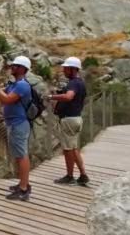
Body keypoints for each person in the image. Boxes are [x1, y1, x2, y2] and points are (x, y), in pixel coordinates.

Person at [0, 56, 33, 201]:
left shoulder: (22, 85)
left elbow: (7, 99)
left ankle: (24, 188)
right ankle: (22, 183)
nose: (11, 68)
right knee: (19, 155)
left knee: (21, 155)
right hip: (13, 123)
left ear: (22, 68)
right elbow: (1, 97)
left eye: (15, 66)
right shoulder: (14, 84)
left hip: (19, 123)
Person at [48, 57, 90, 186]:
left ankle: (69, 176)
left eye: (66, 68)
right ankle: (83, 175)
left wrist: (51, 96)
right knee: (73, 148)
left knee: (67, 149)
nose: (64, 70)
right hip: (76, 118)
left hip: (68, 120)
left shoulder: (73, 83)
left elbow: (68, 97)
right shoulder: (81, 83)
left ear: (73, 69)